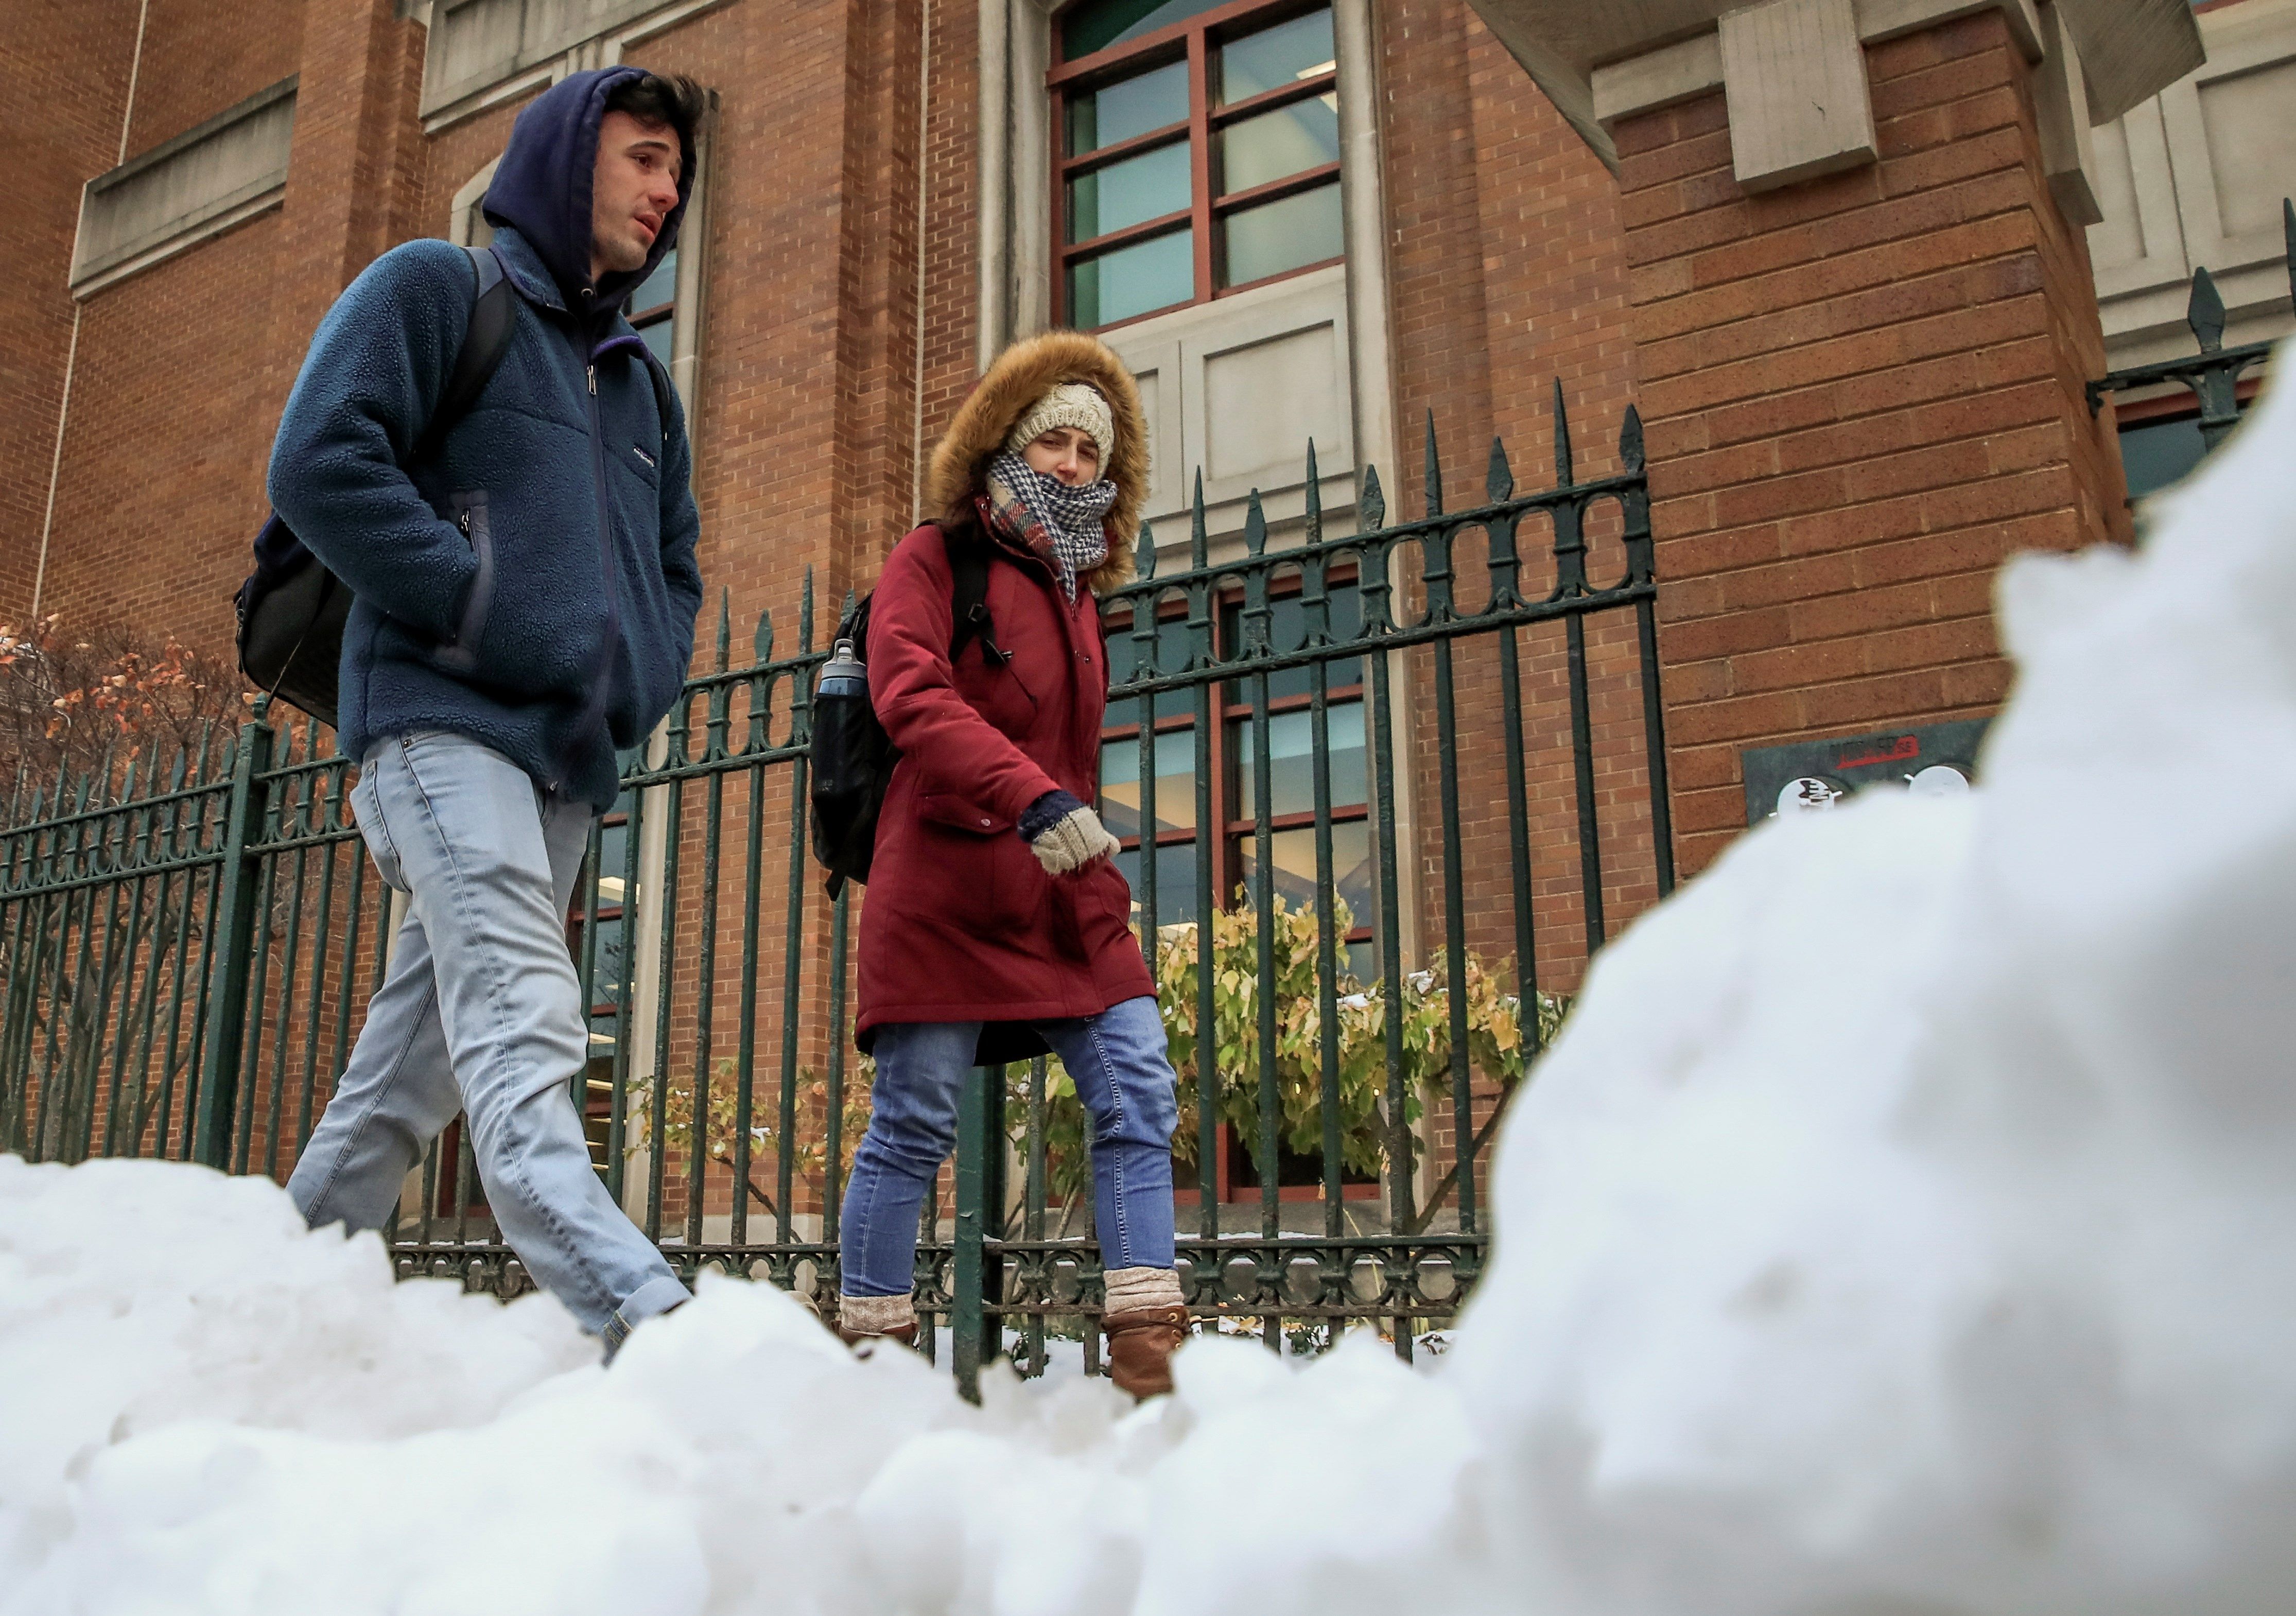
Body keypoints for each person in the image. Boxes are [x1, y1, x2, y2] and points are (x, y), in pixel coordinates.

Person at [272, 67, 707, 1358]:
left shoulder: (641, 386)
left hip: (567, 762)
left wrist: (642, 671)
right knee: (526, 1019)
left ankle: (262, 1306)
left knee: (401, 1087)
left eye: (675, 172)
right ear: (570, 160)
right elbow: (317, 461)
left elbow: (675, 568)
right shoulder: (435, 289)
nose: (665, 189)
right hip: (438, 725)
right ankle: (655, 1328)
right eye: (641, 159)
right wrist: (478, 606)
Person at [839, 333, 1189, 1398]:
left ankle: (1149, 1357)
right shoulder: (934, 560)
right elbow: (909, 696)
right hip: (946, 879)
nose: (1074, 464)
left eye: (1092, 448)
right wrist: (1029, 796)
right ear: (1006, 444)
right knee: (915, 1117)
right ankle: (870, 1358)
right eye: (1054, 442)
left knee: (1137, 1082)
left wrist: (1062, 816)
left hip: (1062, 883)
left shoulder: (1081, 591)